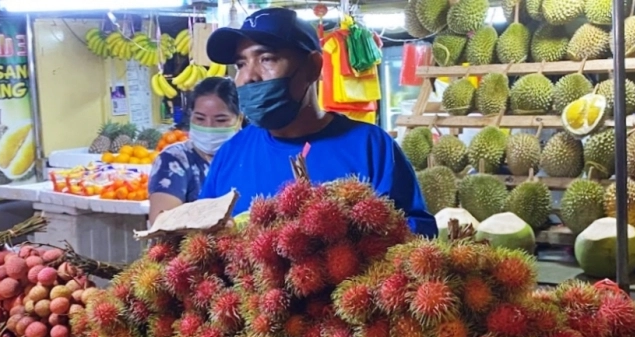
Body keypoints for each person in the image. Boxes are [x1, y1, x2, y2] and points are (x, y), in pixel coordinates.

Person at [199, 8, 436, 237]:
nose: (248, 76)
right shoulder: (230, 154)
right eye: (241, 64)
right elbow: (200, 241)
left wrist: (348, 235)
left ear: (313, 67)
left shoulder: (371, 147)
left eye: (266, 59)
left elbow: (417, 234)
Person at [149, 77, 241, 224]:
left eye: (221, 120)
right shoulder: (174, 160)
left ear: (239, 120)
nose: (209, 127)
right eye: (200, 118)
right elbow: (162, 222)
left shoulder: (249, 157)